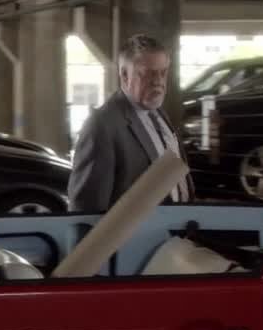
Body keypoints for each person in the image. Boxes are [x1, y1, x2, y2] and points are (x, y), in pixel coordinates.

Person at [68, 34, 195, 212]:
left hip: (176, 227)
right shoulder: (102, 126)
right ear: (125, 75)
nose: (158, 81)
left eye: (163, 72)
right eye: (148, 74)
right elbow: (85, 210)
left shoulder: (158, 114)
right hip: (138, 231)